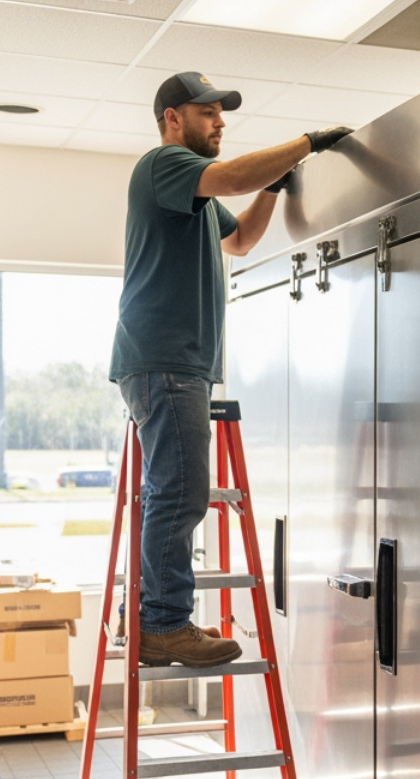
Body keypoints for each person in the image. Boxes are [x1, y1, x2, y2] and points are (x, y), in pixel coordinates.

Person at [109, 71, 352, 668]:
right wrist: (307, 144)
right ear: (173, 117)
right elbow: (236, 173)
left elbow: (240, 240)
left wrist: (275, 187)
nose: (219, 122)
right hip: (165, 360)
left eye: (222, 114)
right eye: (207, 112)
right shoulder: (162, 164)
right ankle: (163, 624)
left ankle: (149, 613)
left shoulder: (198, 199)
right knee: (182, 491)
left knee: (176, 488)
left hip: (177, 363)